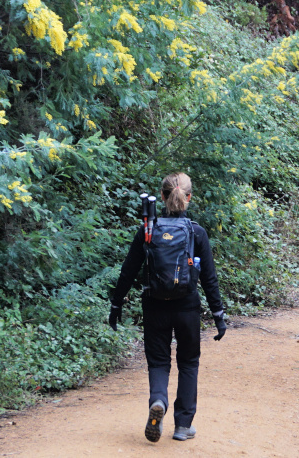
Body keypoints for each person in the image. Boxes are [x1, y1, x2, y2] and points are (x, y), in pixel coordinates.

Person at [108, 172, 227, 443]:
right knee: (188, 362)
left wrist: (116, 305)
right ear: (189, 197)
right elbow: (209, 278)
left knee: (159, 362)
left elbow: (128, 271)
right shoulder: (196, 232)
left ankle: (158, 401)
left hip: (154, 305)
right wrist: (219, 316)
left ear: (162, 197)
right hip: (187, 306)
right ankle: (183, 425)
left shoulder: (148, 231)